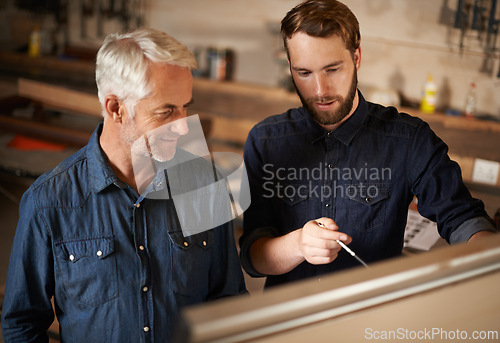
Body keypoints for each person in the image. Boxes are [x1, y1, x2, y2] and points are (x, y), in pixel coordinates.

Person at [1, 27, 247, 342]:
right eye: (166, 111)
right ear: (115, 108)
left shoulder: (203, 184)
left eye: (186, 105)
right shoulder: (49, 201)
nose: (185, 126)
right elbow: (22, 325)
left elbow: (228, 302)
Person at [239, 0, 497, 288]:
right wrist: (298, 244)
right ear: (290, 67)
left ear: (357, 58)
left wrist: (489, 256)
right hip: (288, 324)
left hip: (373, 322)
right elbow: (253, 258)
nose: (320, 90)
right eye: (304, 73)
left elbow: (461, 217)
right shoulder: (266, 140)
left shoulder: (409, 140)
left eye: (332, 69)